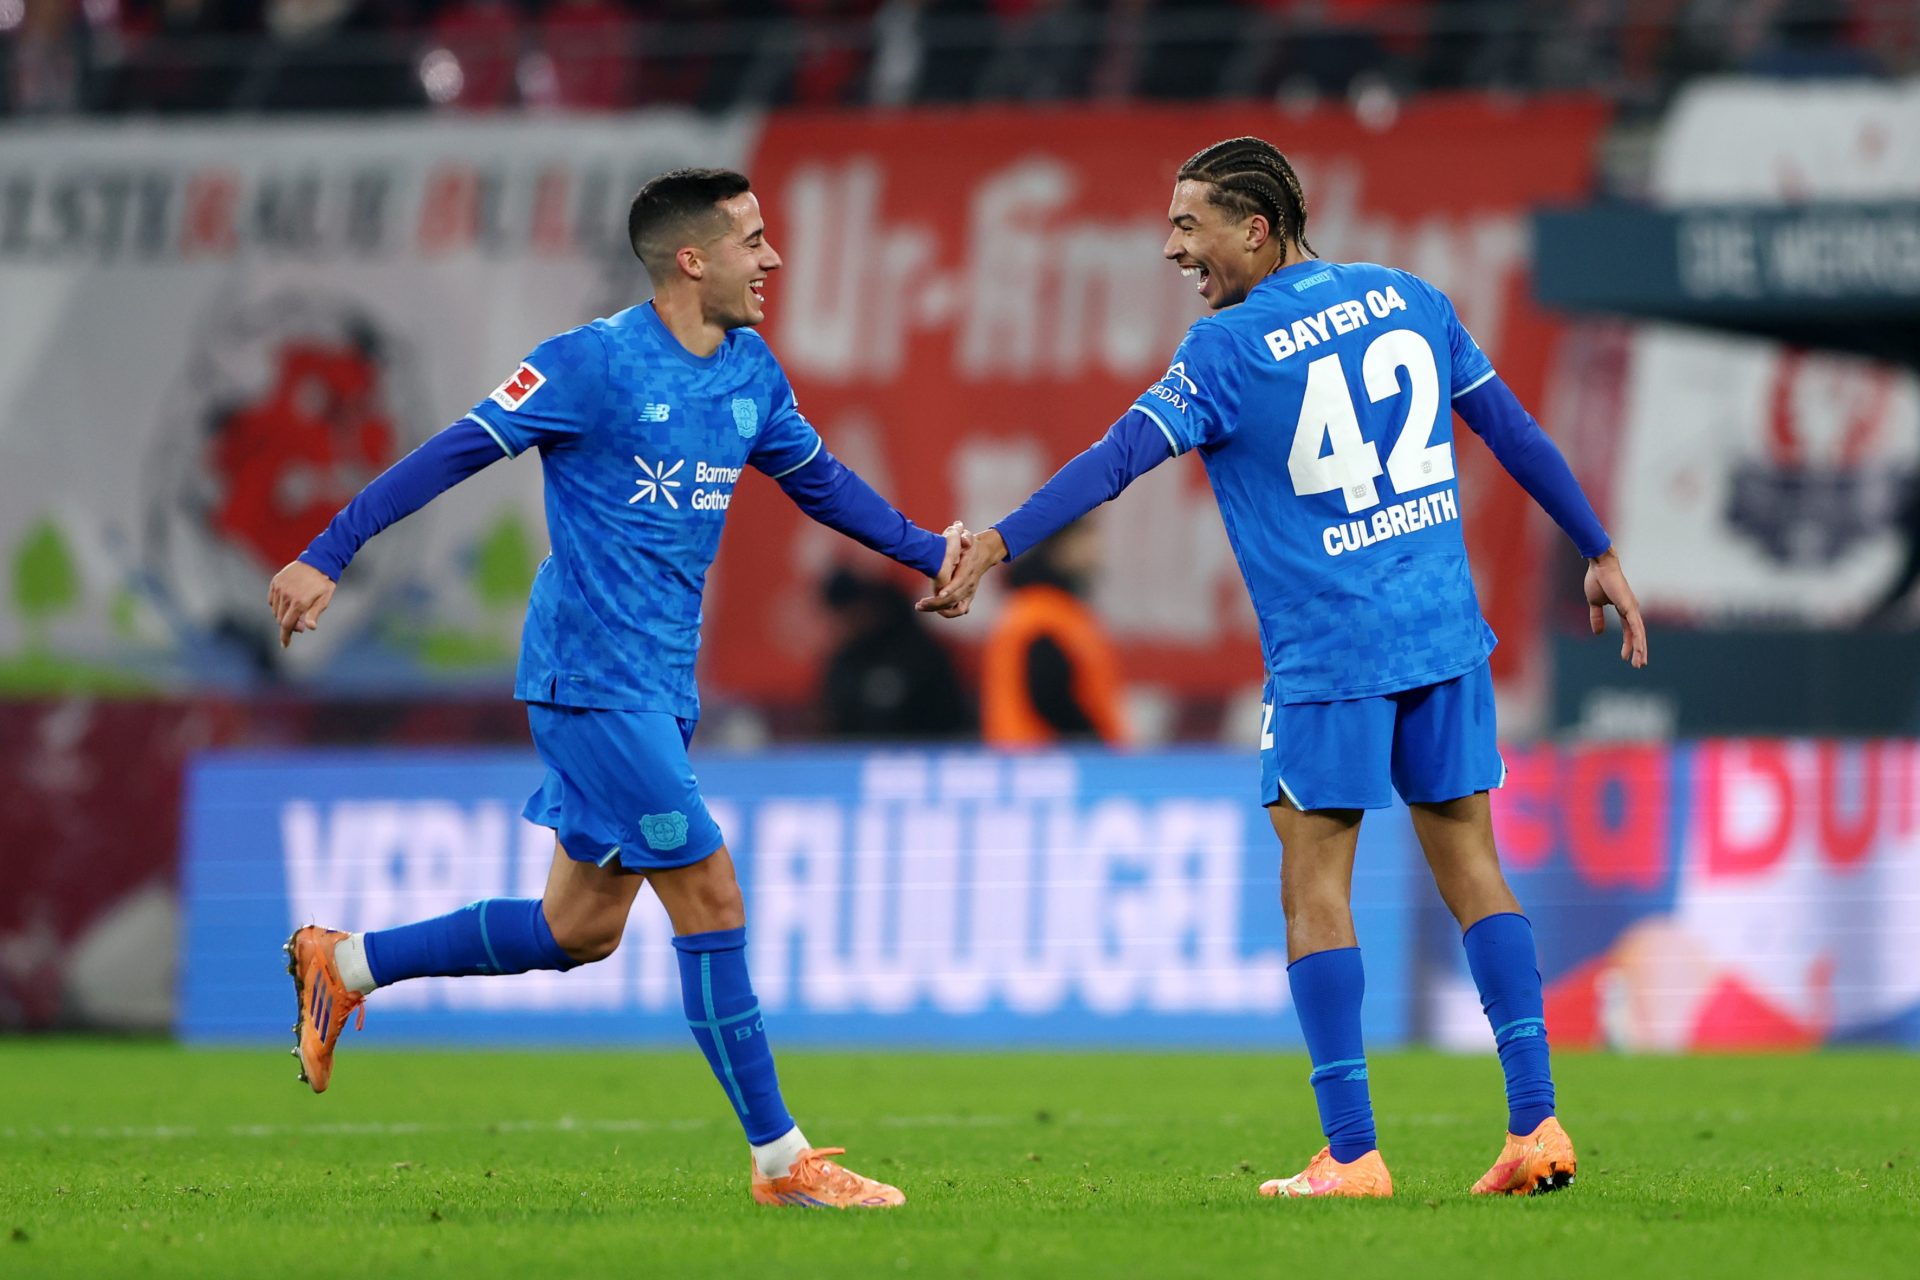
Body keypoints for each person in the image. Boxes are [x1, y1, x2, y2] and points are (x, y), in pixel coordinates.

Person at [921, 136, 1649, 1200]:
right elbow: (1514, 430)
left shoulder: (1225, 349)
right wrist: (1600, 548)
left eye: (1189, 226)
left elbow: (1114, 460)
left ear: (1255, 227)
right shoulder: (1411, 298)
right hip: (1443, 637)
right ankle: (1536, 1124)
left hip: (1330, 653)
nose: (1174, 248)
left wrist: (996, 541)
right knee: (1474, 868)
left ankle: (1351, 1151)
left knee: (1315, 885)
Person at [269, 167, 970, 1210]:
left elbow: (820, 480)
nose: (772, 260)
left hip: (658, 681)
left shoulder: (749, 374)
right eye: (753, 241)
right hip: (590, 678)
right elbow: (454, 451)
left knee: (579, 929)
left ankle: (346, 963)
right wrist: (330, 548)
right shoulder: (590, 365)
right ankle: (783, 1160)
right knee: (713, 890)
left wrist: (926, 551)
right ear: (692, 259)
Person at [980, 518, 1129, 747]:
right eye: (1085, 539)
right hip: (1047, 765)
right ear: (1061, 546)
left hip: (1033, 763)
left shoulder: (1045, 608)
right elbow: (1049, 695)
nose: (1095, 551)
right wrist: (1093, 741)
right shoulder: (1041, 613)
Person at [817, 567, 974, 740]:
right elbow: (835, 721)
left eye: (850, 613)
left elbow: (949, 718)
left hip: (924, 752)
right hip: (856, 757)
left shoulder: (921, 655)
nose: (844, 624)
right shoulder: (845, 661)